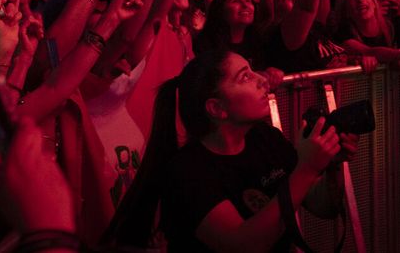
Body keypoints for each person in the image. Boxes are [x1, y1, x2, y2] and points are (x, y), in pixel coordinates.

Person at [107, 48, 353, 252]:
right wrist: (307, 168)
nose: (262, 79)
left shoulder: (265, 138)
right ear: (217, 108)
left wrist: (329, 162)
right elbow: (244, 244)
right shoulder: (188, 171)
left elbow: (323, 206)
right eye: (245, 77)